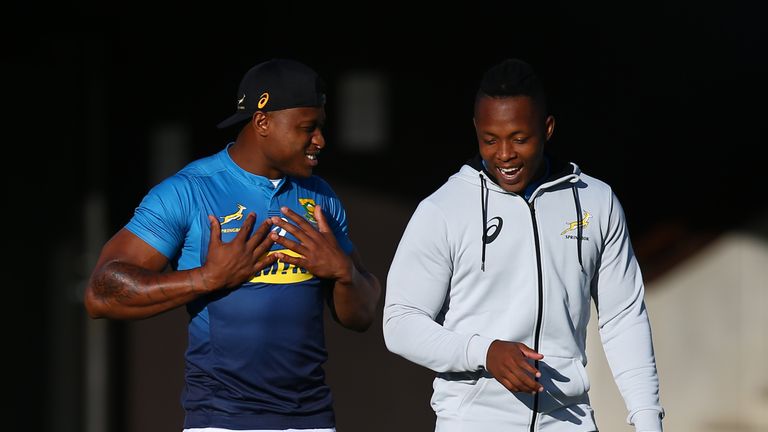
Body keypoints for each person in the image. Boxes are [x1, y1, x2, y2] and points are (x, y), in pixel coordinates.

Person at [84, 58, 382, 432]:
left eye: (321, 127)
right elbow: (100, 293)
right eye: (308, 128)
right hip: (222, 419)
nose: (319, 140)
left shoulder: (319, 197)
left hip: (312, 418)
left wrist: (344, 273)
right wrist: (206, 278)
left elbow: (362, 315)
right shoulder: (189, 191)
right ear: (262, 122)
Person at [383, 58, 664, 431]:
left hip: (570, 419)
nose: (504, 154)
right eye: (490, 139)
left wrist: (648, 421)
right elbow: (400, 323)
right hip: (473, 420)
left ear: (547, 129)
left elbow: (623, 317)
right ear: (476, 130)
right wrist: (484, 352)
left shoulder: (597, 201)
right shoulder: (442, 209)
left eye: (519, 138)